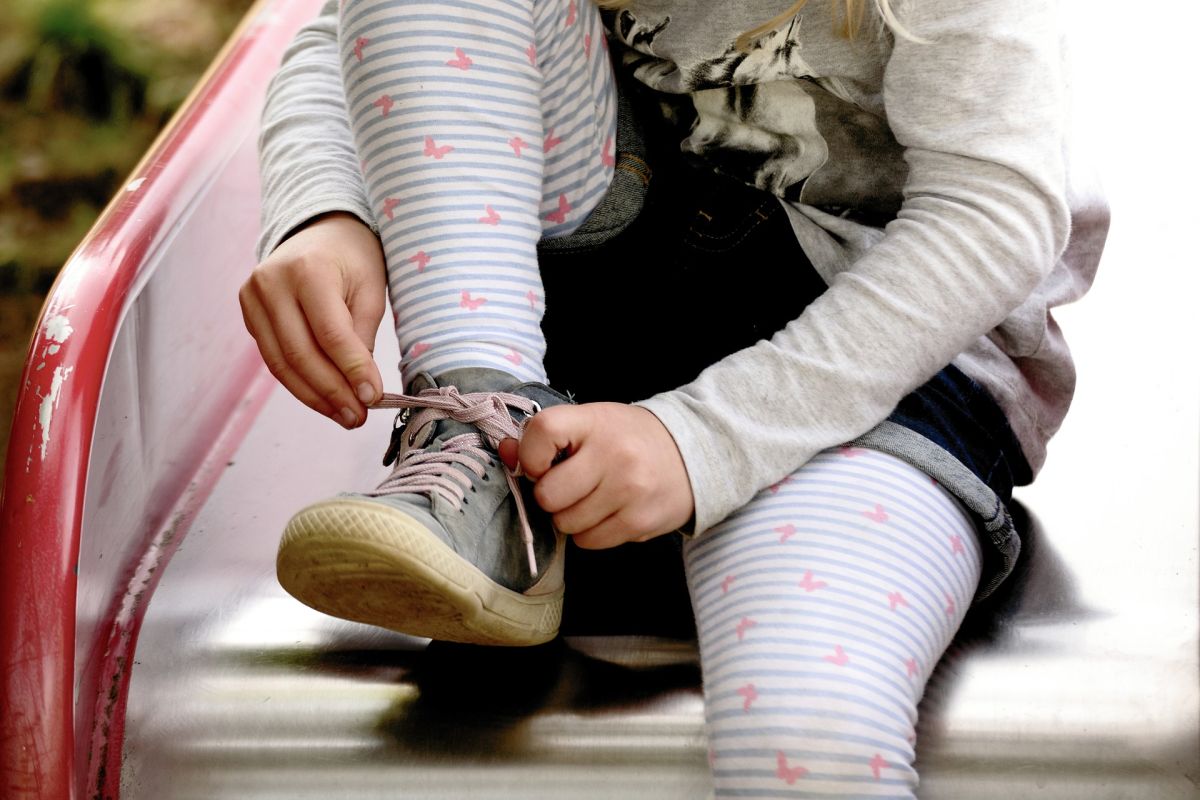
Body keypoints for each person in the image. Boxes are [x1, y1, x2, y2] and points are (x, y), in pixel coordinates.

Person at [239, 0, 1107, 794]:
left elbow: (994, 216)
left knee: (806, 722)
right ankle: (479, 427)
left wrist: (702, 440)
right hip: (623, 271)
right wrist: (329, 209)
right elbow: (340, 32)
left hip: (891, 355)